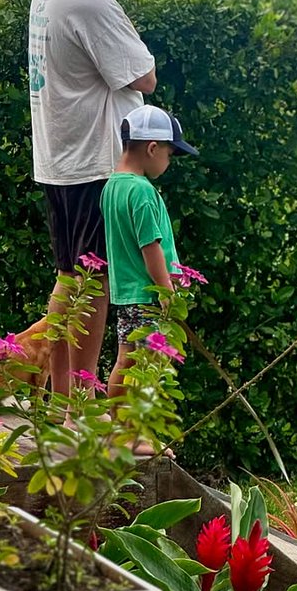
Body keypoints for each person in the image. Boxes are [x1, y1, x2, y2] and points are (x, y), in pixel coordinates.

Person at [28, 0, 156, 407]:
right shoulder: (88, 0)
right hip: (93, 161)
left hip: (60, 158)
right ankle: (76, 398)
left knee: (75, 278)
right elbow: (142, 76)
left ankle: (63, 398)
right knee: (90, 284)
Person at [101, 103, 199, 413]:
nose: (169, 162)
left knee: (125, 360)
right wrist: (165, 290)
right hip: (148, 295)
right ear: (153, 148)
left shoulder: (111, 187)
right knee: (151, 365)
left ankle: (117, 427)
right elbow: (150, 246)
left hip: (126, 294)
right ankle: (139, 433)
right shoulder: (142, 192)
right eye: (170, 155)